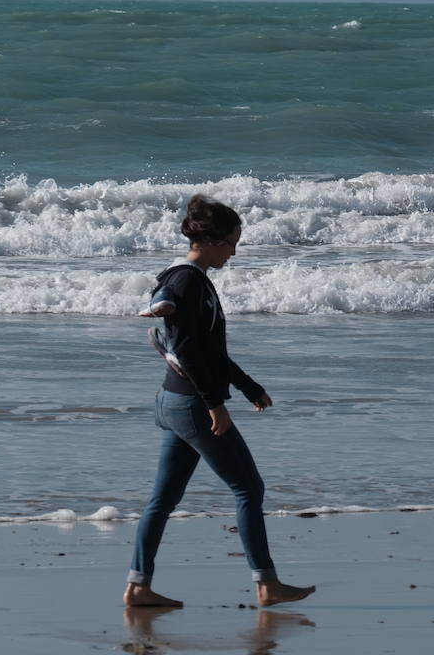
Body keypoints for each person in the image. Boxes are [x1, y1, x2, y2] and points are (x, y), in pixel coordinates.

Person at [125, 195, 314, 609]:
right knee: (248, 488)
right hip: (192, 406)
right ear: (210, 241)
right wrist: (214, 404)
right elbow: (188, 349)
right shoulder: (188, 281)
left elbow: (211, 352)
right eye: (231, 243)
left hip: (174, 403)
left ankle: (138, 586)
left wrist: (248, 386)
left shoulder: (192, 279)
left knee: (163, 500)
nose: (234, 252)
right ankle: (266, 583)